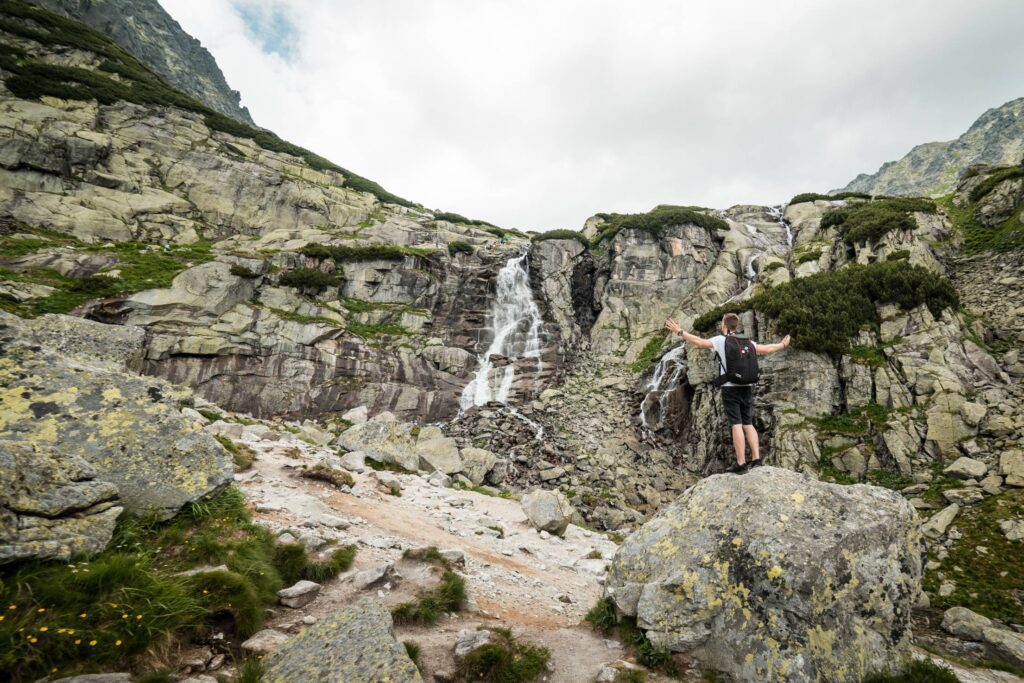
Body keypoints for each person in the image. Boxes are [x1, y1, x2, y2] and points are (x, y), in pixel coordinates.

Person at [664, 313, 791, 473]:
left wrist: (680, 332)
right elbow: (766, 349)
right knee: (748, 423)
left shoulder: (720, 340)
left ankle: (741, 463)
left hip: (730, 388)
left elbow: (700, 342)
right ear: (736, 326)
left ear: (724, 325)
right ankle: (757, 459)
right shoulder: (747, 342)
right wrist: (783, 345)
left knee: (736, 424)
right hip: (746, 386)